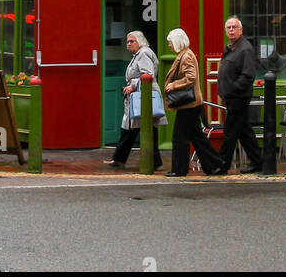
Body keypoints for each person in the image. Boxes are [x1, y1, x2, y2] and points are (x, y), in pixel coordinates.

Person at [163, 28, 223, 177]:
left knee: (179, 137)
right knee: (197, 138)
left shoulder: (186, 56)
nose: (169, 45)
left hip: (188, 104)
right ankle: (214, 165)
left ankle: (180, 169)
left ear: (177, 42)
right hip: (192, 104)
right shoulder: (184, 55)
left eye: (170, 42)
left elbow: (191, 77)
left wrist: (174, 85)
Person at [105, 30, 165, 170]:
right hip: (139, 97)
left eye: (132, 41)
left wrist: (132, 86)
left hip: (143, 98)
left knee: (144, 128)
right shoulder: (138, 54)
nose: (129, 44)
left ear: (140, 41)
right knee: (131, 128)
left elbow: (148, 75)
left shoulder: (143, 53)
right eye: (127, 42)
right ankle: (119, 159)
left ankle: (155, 163)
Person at [213, 15, 263, 175]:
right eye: (228, 27)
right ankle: (258, 162)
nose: (231, 30)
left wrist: (232, 89)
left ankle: (222, 165)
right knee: (244, 132)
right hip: (232, 97)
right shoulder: (232, 47)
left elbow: (248, 75)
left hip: (238, 98)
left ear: (241, 30)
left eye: (234, 27)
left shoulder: (245, 48)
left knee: (230, 132)